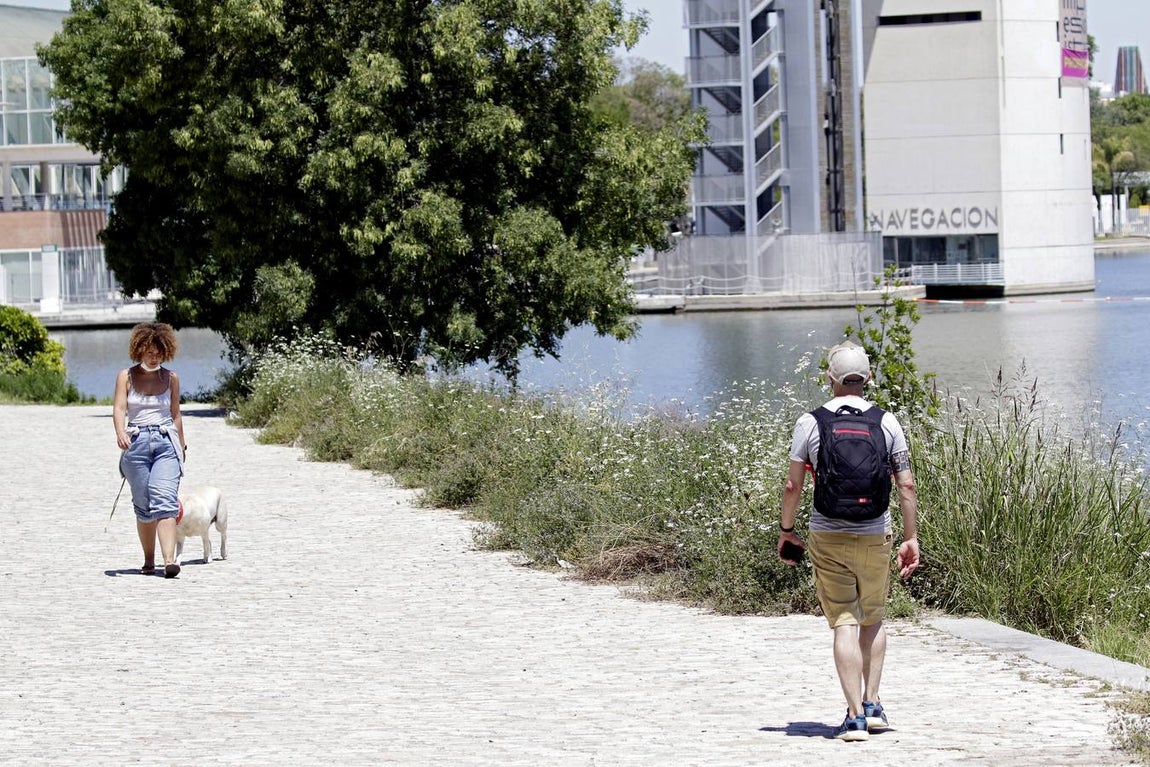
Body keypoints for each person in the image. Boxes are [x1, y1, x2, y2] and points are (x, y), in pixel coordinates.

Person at [777, 341, 920, 742]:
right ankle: (874, 705)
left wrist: (787, 531)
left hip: (827, 532)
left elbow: (793, 484)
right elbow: (905, 484)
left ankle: (854, 717)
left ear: (830, 378)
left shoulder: (810, 422)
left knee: (844, 621)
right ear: (868, 378)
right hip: (877, 533)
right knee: (872, 617)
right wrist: (911, 538)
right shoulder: (887, 422)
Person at [112, 322, 186, 578]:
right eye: (149, 352)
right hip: (137, 442)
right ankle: (149, 559)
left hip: (166, 441)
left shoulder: (172, 378)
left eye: (158, 353)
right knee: (143, 505)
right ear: (139, 350)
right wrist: (121, 432)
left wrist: (182, 446)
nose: (153, 357)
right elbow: (120, 408)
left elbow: (176, 414)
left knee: (164, 499)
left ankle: (170, 561)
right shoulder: (126, 376)